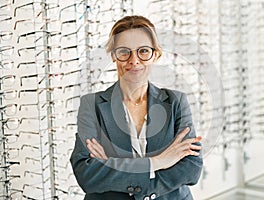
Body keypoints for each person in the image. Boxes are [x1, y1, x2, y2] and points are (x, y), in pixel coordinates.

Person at [70, 15, 203, 200]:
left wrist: (113, 166)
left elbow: (191, 168)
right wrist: (158, 162)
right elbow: (87, 175)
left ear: (155, 54)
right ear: (113, 55)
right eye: (124, 52)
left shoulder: (176, 102)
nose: (134, 60)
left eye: (143, 51)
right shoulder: (91, 105)